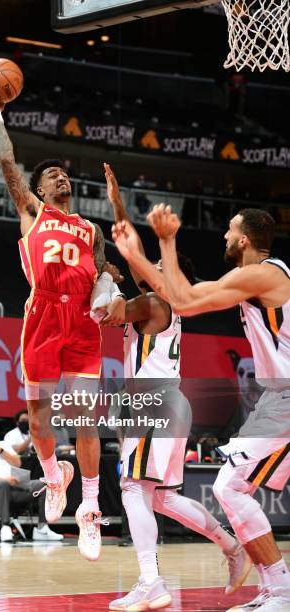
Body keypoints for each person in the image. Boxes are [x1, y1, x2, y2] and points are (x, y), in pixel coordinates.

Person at [112, 205, 290, 611]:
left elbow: (186, 301)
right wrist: (138, 254)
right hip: (275, 396)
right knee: (229, 487)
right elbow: (178, 295)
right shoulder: (253, 278)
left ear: (245, 239)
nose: (223, 237)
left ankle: (281, 591)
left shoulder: (264, 273)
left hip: (285, 395)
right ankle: (274, 588)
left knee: (229, 486)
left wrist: (165, 241)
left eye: (229, 231)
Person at [0, 82, 126, 561]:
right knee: (40, 420)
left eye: (65, 175)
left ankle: (87, 509)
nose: (62, 179)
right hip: (42, 314)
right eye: (54, 176)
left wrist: (109, 287)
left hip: (81, 322)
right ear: (40, 189)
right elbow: (6, 162)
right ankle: (51, 473)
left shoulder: (89, 228)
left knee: (86, 421)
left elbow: (102, 272)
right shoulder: (31, 210)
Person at [103, 166, 250, 610]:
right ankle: (232, 547)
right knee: (162, 497)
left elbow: (109, 313)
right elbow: (134, 251)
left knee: (133, 488)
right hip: (169, 400)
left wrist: (103, 275)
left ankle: (152, 581)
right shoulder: (163, 302)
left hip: (154, 401)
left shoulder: (152, 302)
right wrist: (118, 205)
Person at [0, 422, 62, 542]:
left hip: (13, 489)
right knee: (2, 485)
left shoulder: (4, 445)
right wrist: (4, 480)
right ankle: (5, 527)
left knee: (44, 485)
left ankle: (42, 528)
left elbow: (17, 463)